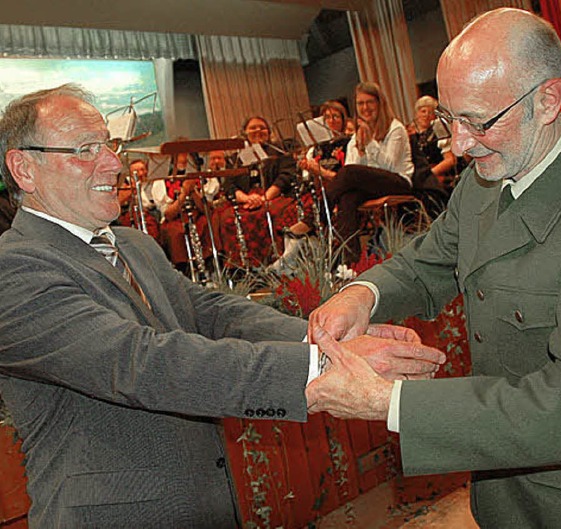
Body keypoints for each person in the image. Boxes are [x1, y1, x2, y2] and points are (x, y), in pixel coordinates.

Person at [0, 84, 446, 528]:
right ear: (23, 168)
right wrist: (322, 366)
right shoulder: (14, 269)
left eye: (110, 145)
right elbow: (140, 362)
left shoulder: (133, 244)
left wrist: (325, 336)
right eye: (85, 149)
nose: (114, 163)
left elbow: (213, 312)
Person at [306, 8, 561, 529]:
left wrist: (392, 401)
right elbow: (429, 263)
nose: (459, 144)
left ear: (548, 100)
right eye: (449, 119)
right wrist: (364, 294)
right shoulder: (486, 178)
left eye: (479, 122)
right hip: (500, 491)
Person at [325, 82, 414, 262]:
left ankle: (319, 212)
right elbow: (352, 170)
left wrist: (370, 144)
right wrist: (360, 149)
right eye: (360, 104)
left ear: (379, 103)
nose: (365, 108)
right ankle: (350, 263)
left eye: (369, 102)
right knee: (347, 198)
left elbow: (389, 165)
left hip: (398, 182)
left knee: (349, 174)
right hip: (372, 186)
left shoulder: (395, 128)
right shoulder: (357, 134)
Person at [270, 100, 351, 271]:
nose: (331, 121)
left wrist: (319, 171)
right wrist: (309, 170)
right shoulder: (316, 149)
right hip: (318, 191)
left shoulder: (350, 143)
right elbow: (309, 181)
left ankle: (285, 264)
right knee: (289, 210)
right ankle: (291, 263)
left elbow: (347, 177)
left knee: (312, 209)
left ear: (344, 120)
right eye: (326, 117)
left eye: (336, 116)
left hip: (339, 192)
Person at [212, 116, 299, 268]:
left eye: (262, 127)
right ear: (244, 133)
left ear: (269, 132)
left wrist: (265, 198)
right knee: (227, 218)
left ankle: (277, 264)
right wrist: (246, 198)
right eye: (253, 128)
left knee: (274, 213)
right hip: (246, 199)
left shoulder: (279, 152)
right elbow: (229, 185)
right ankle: (243, 268)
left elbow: (286, 176)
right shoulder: (235, 158)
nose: (258, 130)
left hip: (274, 195)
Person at [150, 147, 219, 276]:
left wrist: (193, 191)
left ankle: (210, 269)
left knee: (207, 225)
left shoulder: (204, 178)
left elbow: (206, 210)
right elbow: (168, 214)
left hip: (198, 214)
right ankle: (185, 271)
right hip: (175, 218)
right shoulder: (161, 182)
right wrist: (183, 194)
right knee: (176, 232)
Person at [407, 95, 457, 194]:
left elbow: (450, 160)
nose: (426, 115)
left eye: (431, 112)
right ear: (416, 113)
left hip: (437, 178)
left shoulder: (439, 130)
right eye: (423, 111)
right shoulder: (408, 132)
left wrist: (429, 175)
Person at [115, 158, 160, 242]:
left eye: (142, 169)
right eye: (136, 171)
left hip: (154, 212)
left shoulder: (154, 183)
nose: (140, 173)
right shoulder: (127, 185)